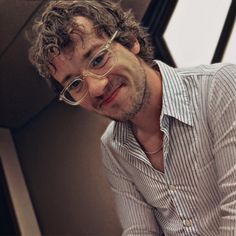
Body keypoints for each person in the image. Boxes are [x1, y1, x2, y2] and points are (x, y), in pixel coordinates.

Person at [28, 0, 236, 235]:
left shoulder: (221, 86)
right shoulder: (112, 147)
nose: (96, 88)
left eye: (98, 59)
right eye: (75, 84)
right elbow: (139, 230)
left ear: (130, 40)